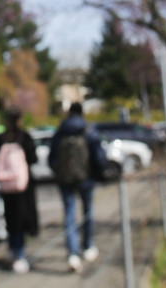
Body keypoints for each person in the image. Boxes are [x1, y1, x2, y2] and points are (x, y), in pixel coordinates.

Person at [48, 102, 107, 273]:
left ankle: (72, 253)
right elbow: (98, 156)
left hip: (65, 179)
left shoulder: (60, 131)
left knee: (69, 214)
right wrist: (97, 174)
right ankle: (88, 247)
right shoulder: (88, 130)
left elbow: (52, 158)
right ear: (82, 113)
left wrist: (59, 172)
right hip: (86, 179)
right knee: (88, 211)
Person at [0, 106, 39, 273]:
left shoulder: (0, 139)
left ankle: (12, 250)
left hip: (6, 186)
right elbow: (33, 158)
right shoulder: (24, 137)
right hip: (23, 187)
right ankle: (20, 255)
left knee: (10, 220)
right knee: (21, 221)